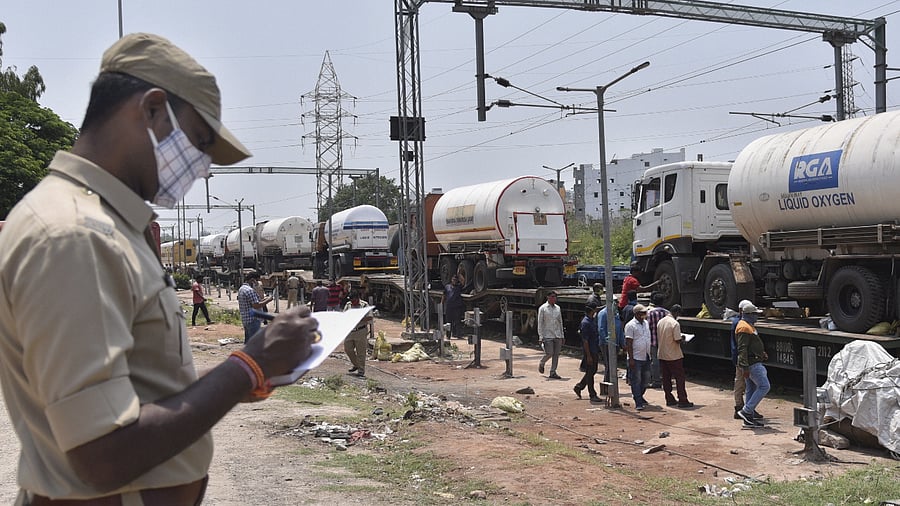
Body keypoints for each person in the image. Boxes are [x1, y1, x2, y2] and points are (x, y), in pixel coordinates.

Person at [0, 33, 318, 504]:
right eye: (200, 141)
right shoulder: (74, 236)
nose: (204, 167)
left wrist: (239, 379)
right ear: (151, 110)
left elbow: (139, 388)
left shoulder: (106, 226)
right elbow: (102, 454)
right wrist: (250, 365)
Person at [735, 302, 770, 428]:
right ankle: (746, 411)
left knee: (751, 388)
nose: (757, 317)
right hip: (752, 363)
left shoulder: (748, 325)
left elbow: (750, 345)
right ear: (749, 314)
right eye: (755, 314)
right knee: (764, 386)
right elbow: (742, 349)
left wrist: (761, 353)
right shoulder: (744, 327)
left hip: (753, 361)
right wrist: (744, 367)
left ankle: (748, 418)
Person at [656, 304, 693, 408]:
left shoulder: (661, 321)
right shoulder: (675, 323)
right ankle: (682, 399)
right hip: (673, 355)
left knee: (666, 378)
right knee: (679, 378)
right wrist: (683, 338)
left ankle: (669, 398)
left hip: (662, 353)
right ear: (677, 313)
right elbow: (677, 339)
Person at [625, 304, 652, 410]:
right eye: (642, 313)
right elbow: (629, 343)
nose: (645, 315)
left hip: (646, 355)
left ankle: (639, 395)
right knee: (636, 380)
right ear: (636, 314)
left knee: (646, 379)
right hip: (635, 357)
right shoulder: (630, 326)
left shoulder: (645, 323)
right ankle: (638, 401)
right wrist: (631, 358)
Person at [574, 302, 602, 402]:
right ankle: (592, 394)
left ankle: (580, 386)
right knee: (590, 372)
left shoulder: (591, 320)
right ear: (592, 310)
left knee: (592, 371)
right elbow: (585, 341)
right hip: (590, 350)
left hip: (594, 349)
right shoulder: (586, 323)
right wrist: (588, 355)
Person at [343, 291, 372, 377]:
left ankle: (361, 371)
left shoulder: (364, 305)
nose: (352, 302)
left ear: (358, 298)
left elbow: (370, 316)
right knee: (348, 349)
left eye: (354, 300)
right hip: (350, 331)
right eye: (351, 300)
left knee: (361, 352)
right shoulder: (348, 305)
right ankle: (356, 364)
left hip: (360, 331)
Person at [238, 272, 273, 343]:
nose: (257, 283)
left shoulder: (242, 289)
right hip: (253, 320)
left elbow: (254, 301)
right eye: (257, 281)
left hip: (246, 319)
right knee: (254, 343)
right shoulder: (249, 290)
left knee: (248, 343)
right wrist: (268, 300)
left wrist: (265, 299)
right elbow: (256, 305)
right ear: (252, 280)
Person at [537, 291, 564, 379]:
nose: (554, 298)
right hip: (547, 334)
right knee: (549, 353)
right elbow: (540, 323)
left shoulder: (558, 308)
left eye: (555, 297)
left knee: (556, 354)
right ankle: (542, 362)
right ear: (548, 297)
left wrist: (562, 336)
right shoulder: (543, 308)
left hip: (557, 335)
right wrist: (540, 336)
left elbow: (560, 322)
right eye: (552, 297)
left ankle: (553, 372)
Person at [646, 292, 669, 388]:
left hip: (653, 340)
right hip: (665, 341)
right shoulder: (667, 313)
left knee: (654, 361)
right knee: (666, 361)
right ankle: (666, 380)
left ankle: (656, 381)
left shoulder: (649, 313)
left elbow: (647, 327)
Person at [597, 302, 623, 384]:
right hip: (607, 344)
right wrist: (606, 341)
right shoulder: (603, 313)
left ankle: (611, 383)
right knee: (609, 365)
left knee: (613, 365)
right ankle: (607, 384)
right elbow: (601, 329)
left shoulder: (616, 314)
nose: (616, 305)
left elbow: (620, 329)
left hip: (615, 343)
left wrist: (622, 342)